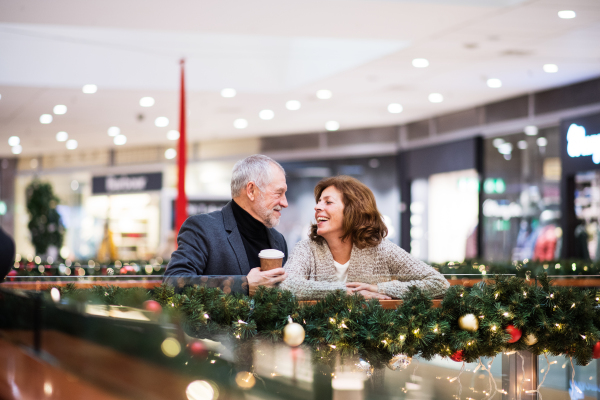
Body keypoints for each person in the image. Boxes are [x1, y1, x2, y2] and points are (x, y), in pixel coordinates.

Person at [280, 176, 450, 300]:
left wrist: (381, 288)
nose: (317, 207)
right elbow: (286, 286)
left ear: (352, 210)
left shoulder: (381, 249)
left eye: (328, 202)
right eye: (318, 202)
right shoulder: (306, 248)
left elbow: (439, 284)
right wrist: (347, 292)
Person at [164, 155, 288, 295]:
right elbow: (172, 283)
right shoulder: (202, 228)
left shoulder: (278, 240)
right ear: (251, 191)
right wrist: (244, 285)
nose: (285, 203)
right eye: (279, 193)